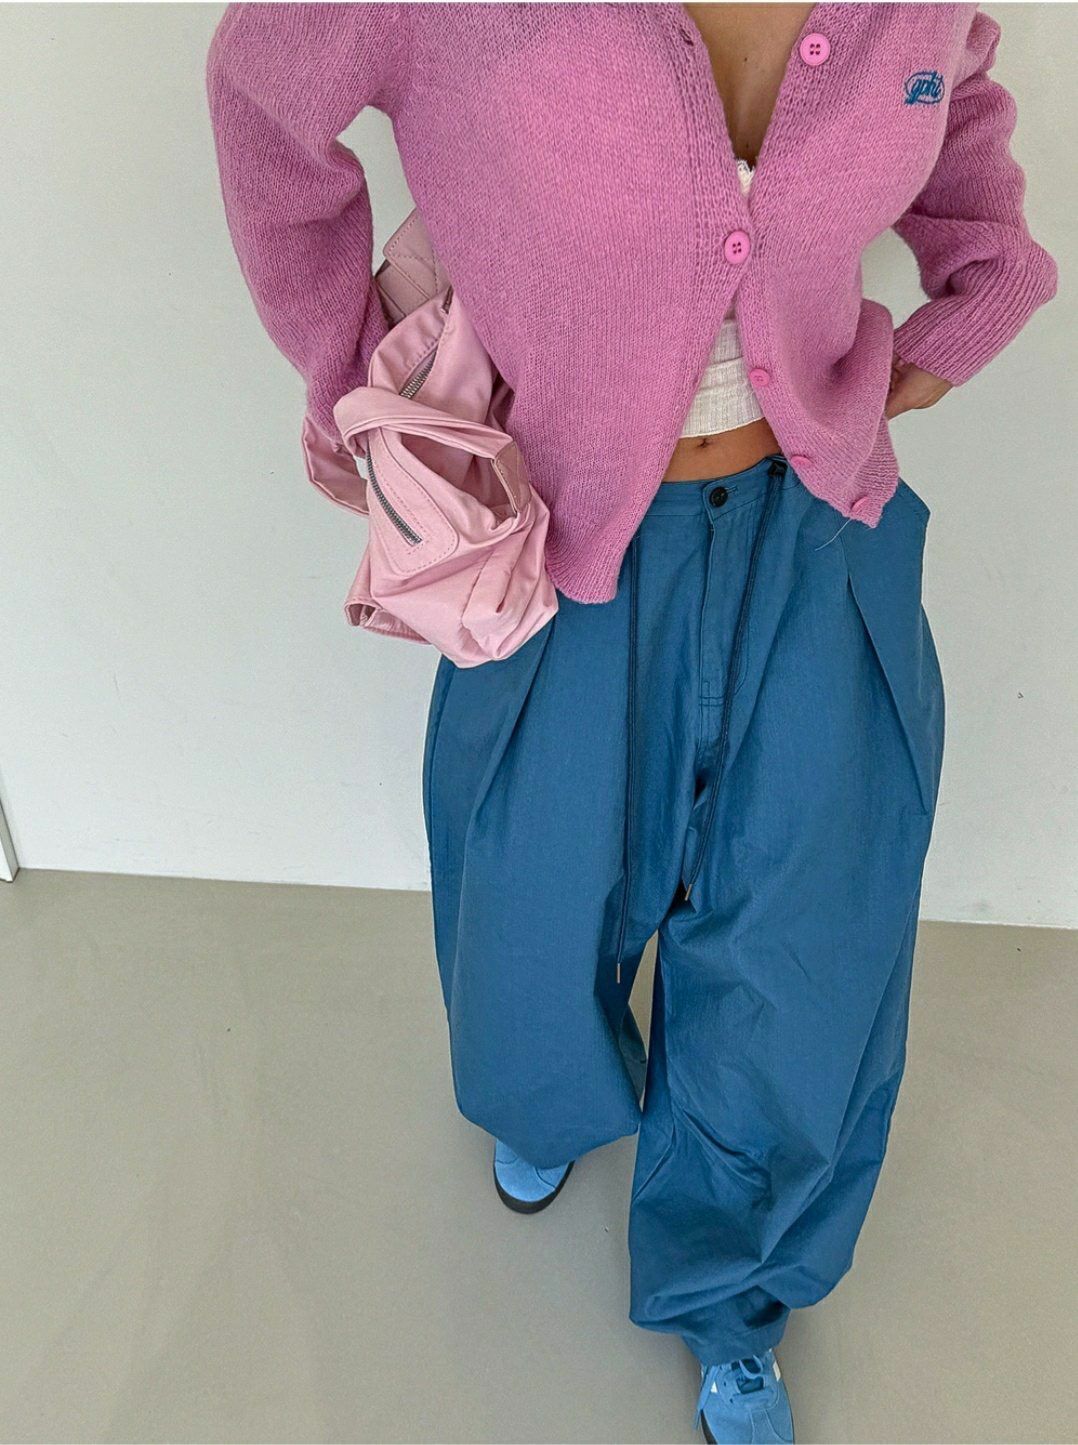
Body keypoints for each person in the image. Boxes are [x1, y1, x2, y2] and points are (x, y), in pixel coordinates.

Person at [206, 5, 1056, 1439]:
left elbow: (952, 87)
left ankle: (734, 1291)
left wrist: (988, 278)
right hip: (553, 532)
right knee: (532, 897)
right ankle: (546, 1095)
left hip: (816, 526)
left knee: (805, 934)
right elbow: (264, 90)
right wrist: (355, 373)